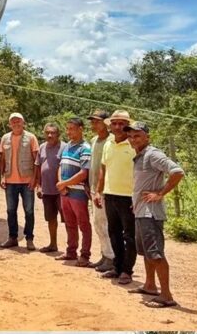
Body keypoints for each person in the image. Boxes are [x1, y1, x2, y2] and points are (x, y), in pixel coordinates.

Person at [125, 121, 185, 308]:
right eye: (131, 136)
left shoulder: (152, 154)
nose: (133, 139)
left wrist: (160, 194)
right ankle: (150, 285)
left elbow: (177, 171)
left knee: (156, 253)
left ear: (147, 137)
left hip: (151, 214)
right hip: (141, 211)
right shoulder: (140, 156)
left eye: (137, 135)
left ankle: (166, 295)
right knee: (146, 252)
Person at [95, 110, 137, 285]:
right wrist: (99, 191)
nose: (118, 126)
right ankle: (117, 267)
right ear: (110, 126)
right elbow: (103, 169)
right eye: (115, 123)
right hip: (110, 194)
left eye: (122, 123)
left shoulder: (134, 144)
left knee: (129, 235)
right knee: (114, 233)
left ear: (127, 126)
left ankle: (127, 270)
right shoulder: (108, 144)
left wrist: (138, 197)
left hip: (129, 197)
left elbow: (141, 173)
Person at [0, 112, 40, 250]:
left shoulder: (31, 137)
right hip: (10, 180)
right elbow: (2, 159)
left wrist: (35, 179)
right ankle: (12, 237)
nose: (16, 123)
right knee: (11, 210)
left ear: (23, 122)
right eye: (13, 121)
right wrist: (1, 176)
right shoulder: (5, 138)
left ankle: (29, 238)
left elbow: (36, 160)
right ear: (10, 124)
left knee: (29, 211)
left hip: (27, 180)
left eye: (18, 121)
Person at [54, 118, 93, 267]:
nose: (69, 132)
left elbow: (84, 173)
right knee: (69, 223)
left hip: (78, 193)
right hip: (65, 192)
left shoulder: (85, 148)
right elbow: (60, 166)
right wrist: (61, 185)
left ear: (81, 129)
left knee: (83, 224)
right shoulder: (67, 146)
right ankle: (71, 251)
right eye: (68, 128)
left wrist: (65, 183)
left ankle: (85, 255)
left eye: (72, 128)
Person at [87, 109, 116, 273]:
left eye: (97, 121)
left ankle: (111, 258)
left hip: (106, 189)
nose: (94, 124)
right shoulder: (94, 140)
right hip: (94, 188)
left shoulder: (112, 141)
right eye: (93, 121)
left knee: (105, 223)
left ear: (106, 123)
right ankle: (105, 255)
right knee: (98, 223)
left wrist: (100, 188)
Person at [35, 123, 63, 253]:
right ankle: (53, 244)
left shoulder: (65, 147)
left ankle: (71, 248)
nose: (50, 135)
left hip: (62, 191)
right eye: (47, 133)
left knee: (68, 220)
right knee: (51, 218)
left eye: (53, 133)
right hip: (46, 190)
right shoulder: (42, 147)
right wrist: (39, 186)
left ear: (58, 134)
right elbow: (38, 167)